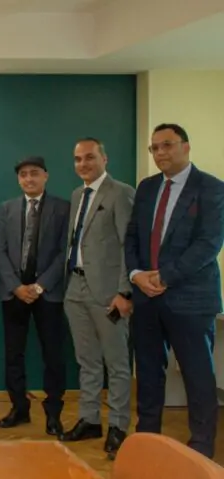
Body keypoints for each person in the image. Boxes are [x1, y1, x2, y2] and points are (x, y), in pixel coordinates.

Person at [126, 123, 224, 459]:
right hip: (146, 297)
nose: (160, 153)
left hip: (190, 299)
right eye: (154, 147)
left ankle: (201, 448)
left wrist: (165, 277)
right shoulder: (147, 187)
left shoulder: (211, 188)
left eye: (167, 145)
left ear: (186, 146)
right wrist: (137, 275)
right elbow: (132, 237)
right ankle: (147, 442)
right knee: (148, 374)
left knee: (197, 375)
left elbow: (208, 244)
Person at [60, 138, 134, 458]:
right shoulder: (77, 195)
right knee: (87, 361)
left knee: (116, 364)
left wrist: (124, 291)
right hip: (75, 288)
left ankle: (118, 425)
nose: (83, 164)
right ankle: (90, 419)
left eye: (89, 157)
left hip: (108, 292)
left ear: (105, 159)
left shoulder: (121, 193)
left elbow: (128, 246)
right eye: (78, 159)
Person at [0, 156, 69, 436]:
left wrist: (40, 286)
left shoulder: (63, 208)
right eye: (23, 174)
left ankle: (53, 413)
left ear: (45, 176)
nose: (29, 179)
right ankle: (19, 408)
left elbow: (64, 252)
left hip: (48, 292)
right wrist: (16, 286)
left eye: (34, 173)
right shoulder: (7, 209)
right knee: (13, 354)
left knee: (53, 354)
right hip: (14, 292)